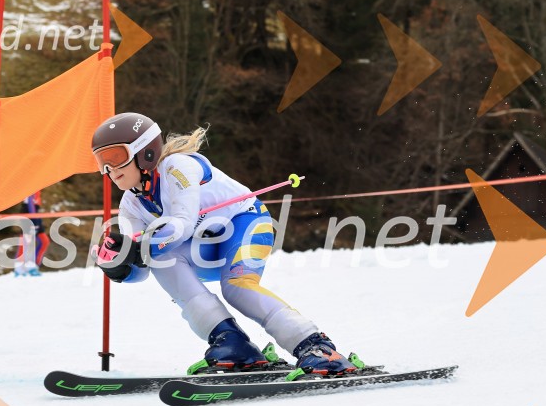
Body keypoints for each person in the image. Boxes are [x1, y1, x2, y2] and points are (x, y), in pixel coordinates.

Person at [91, 112, 356, 377]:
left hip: (246, 223)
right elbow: (143, 266)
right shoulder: (131, 204)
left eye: (116, 157)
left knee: (238, 288)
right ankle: (232, 342)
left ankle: (316, 347)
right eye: (102, 161)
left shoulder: (177, 166)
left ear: (144, 152)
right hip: (206, 242)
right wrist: (119, 265)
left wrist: (140, 247)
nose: (109, 169)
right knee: (161, 257)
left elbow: (181, 223)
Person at [13, 191, 50, 277]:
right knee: (26, 241)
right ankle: (20, 268)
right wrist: (33, 218)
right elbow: (29, 200)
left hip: (35, 212)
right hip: (29, 212)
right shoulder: (31, 181)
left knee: (44, 241)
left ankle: (33, 266)